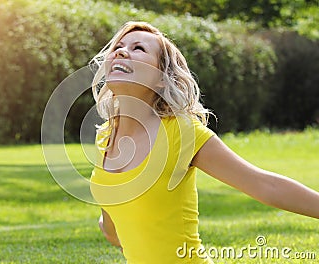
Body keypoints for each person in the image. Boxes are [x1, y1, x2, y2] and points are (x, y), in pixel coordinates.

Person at [88, 21, 319, 263]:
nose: (122, 51)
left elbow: (265, 185)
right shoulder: (105, 137)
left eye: (139, 48)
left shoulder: (182, 133)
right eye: (119, 46)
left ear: (161, 78)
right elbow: (113, 227)